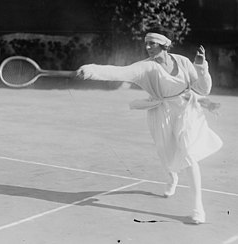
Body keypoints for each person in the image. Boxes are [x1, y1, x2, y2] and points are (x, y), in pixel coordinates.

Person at [76, 27, 223, 224]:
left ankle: (198, 208)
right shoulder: (146, 67)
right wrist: (91, 70)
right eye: (146, 43)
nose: (147, 47)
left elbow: (203, 89)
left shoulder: (183, 61)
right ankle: (172, 178)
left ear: (164, 44)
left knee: (188, 155)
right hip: (160, 112)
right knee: (168, 155)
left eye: (151, 43)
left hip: (186, 110)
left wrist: (200, 66)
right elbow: (120, 72)